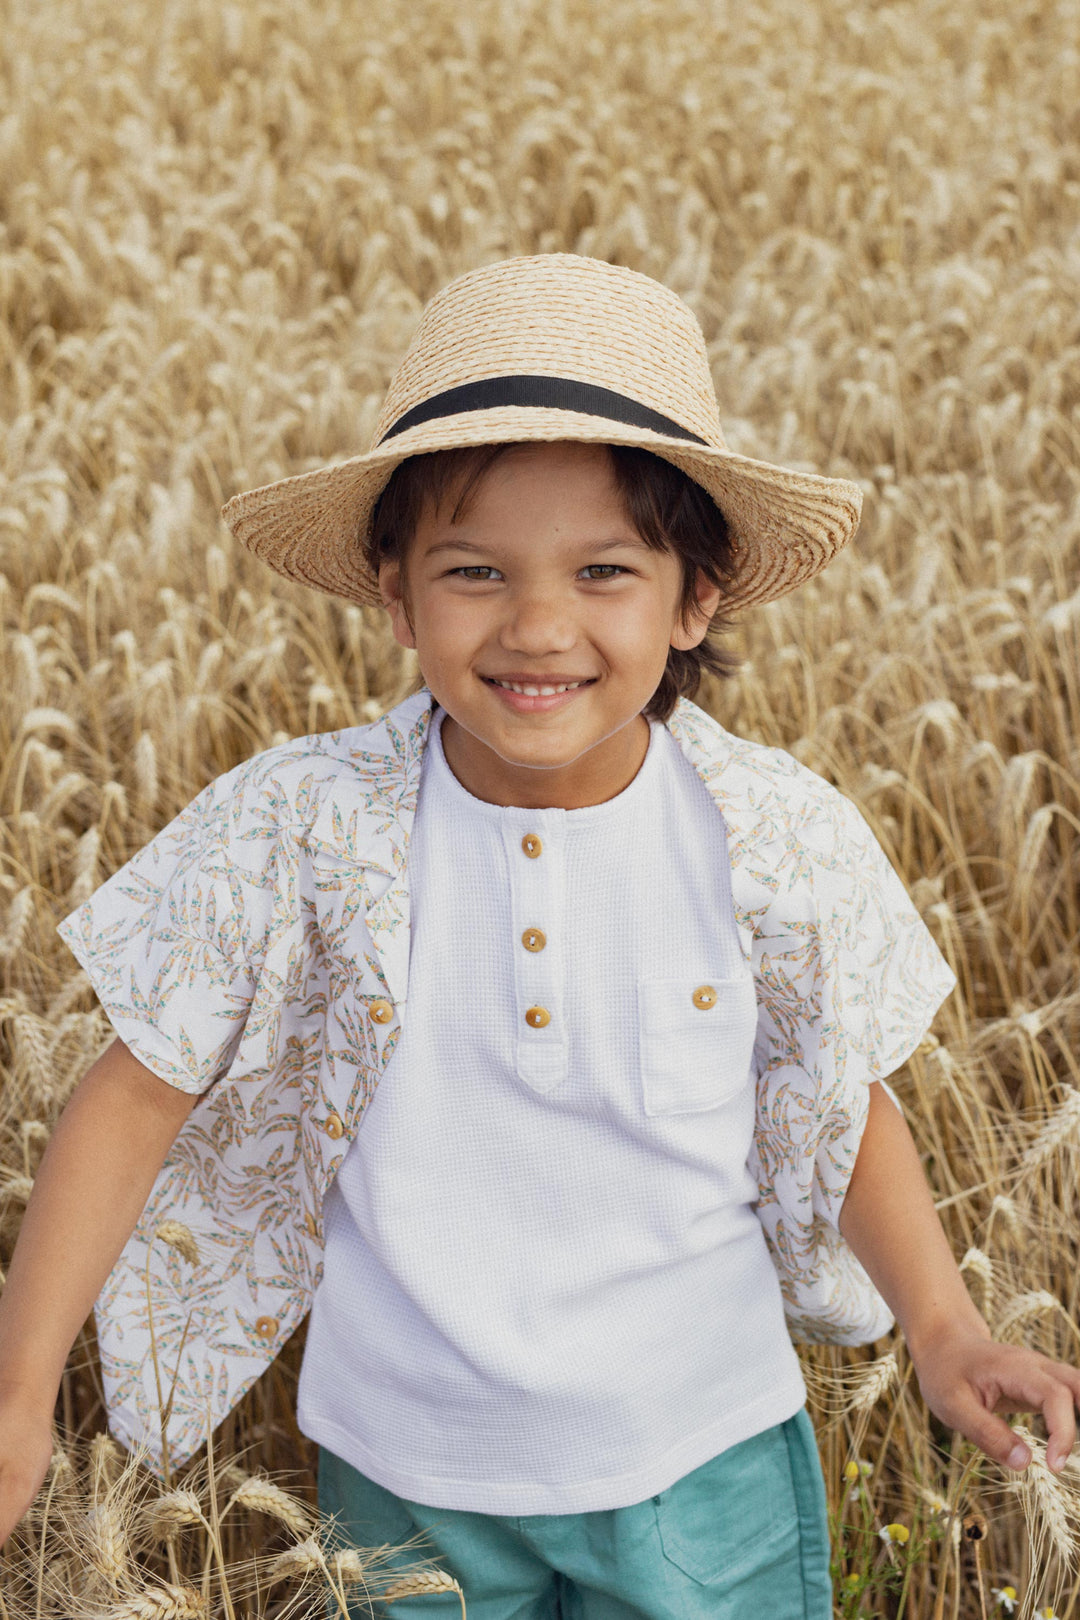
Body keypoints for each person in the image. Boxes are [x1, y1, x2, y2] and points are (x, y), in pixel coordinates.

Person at [1, 254, 1078, 1617]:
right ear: (394, 594)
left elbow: (832, 1097)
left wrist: (945, 1328)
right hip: (403, 1482)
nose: (538, 626)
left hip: (708, 1459)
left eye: (605, 571)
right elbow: (134, 1089)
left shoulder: (774, 840)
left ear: (699, 598)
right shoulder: (298, 829)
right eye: (474, 571)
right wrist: (19, 1386)